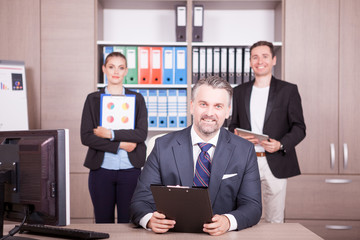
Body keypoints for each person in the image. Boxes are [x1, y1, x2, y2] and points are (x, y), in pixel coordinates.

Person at [130, 76, 262, 236]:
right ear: (192, 106)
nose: (209, 113)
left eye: (218, 106)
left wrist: (228, 221)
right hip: (173, 235)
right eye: (203, 104)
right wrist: (150, 219)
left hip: (223, 237)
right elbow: (140, 201)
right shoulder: (162, 146)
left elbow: (252, 206)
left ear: (228, 112)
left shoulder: (244, 150)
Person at [228, 41, 306, 223]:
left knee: (275, 218)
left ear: (273, 60)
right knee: (242, 214)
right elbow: (232, 125)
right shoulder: (239, 91)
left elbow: (299, 127)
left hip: (276, 161)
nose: (259, 61)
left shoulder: (288, 90)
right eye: (255, 57)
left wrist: (281, 144)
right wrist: (238, 136)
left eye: (265, 56)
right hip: (247, 161)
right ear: (249, 62)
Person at [80, 51, 148, 223]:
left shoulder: (137, 99)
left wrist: (110, 134)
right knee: (103, 222)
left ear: (126, 71)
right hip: (101, 171)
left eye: (121, 67)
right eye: (111, 67)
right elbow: (86, 137)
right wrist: (120, 144)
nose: (116, 71)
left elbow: (141, 133)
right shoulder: (92, 99)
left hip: (130, 170)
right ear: (104, 69)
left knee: (129, 222)